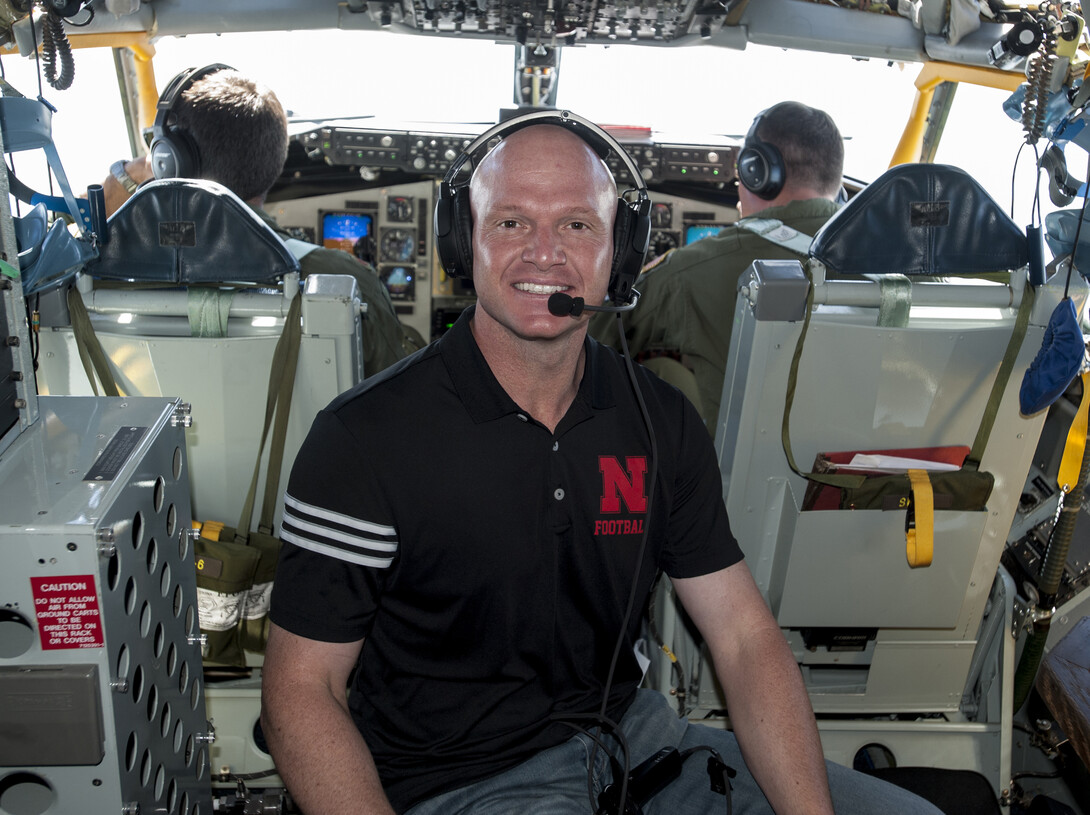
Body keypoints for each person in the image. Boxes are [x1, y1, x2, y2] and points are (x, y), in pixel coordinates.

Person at [260, 116, 942, 815]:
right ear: (465, 242)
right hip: (461, 783)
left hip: (639, 748)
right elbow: (300, 692)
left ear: (621, 251)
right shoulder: (364, 437)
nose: (546, 253)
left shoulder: (659, 422)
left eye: (579, 225)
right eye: (513, 222)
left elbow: (743, 637)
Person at [101, 66, 412, 376]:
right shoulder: (348, 282)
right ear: (274, 163)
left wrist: (126, 180)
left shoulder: (102, 272)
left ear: (168, 162)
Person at [589, 101, 844, 431]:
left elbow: (601, 335)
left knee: (662, 370)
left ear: (757, 171)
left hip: (746, 481)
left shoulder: (694, 269)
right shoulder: (904, 265)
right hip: (895, 478)